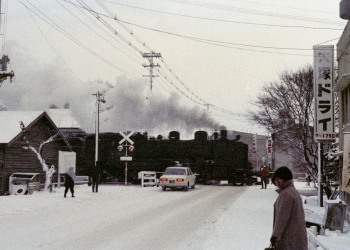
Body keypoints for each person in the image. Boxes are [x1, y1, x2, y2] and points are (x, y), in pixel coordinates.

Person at [270, 166, 307, 250]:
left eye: (278, 179)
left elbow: (282, 218)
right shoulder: (293, 191)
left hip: (289, 237)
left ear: (285, 178)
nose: (277, 182)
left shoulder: (286, 194)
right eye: (275, 180)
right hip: (296, 236)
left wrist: (275, 235)